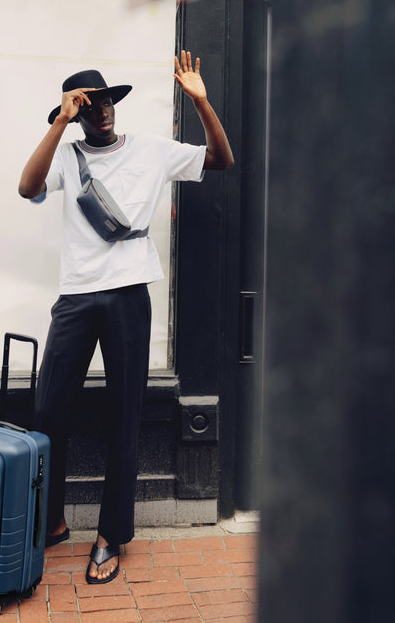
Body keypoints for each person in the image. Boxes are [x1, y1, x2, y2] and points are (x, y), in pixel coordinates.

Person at [18, 51, 234, 585]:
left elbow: (221, 160)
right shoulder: (67, 155)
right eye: (90, 106)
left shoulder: (152, 151)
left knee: (124, 416)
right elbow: (27, 188)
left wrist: (202, 103)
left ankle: (112, 534)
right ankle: (52, 522)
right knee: (48, 412)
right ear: (76, 113)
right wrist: (59, 122)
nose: (103, 111)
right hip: (76, 296)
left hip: (127, 295)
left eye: (107, 101)